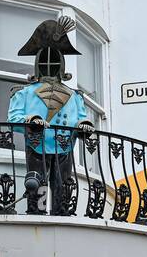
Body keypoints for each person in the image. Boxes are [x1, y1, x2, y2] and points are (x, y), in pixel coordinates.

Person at [7, 17, 93, 215]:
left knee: (62, 184)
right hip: (38, 145)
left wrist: (84, 126)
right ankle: (37, 214)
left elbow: (81, 117)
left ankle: (60, 214)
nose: (49, 64)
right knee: (36, 182)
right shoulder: (24, 93)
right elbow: (14, 119)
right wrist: (31, 121)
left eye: (54, 60)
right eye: (45, 60)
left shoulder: (75, 96)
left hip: (64, 146)